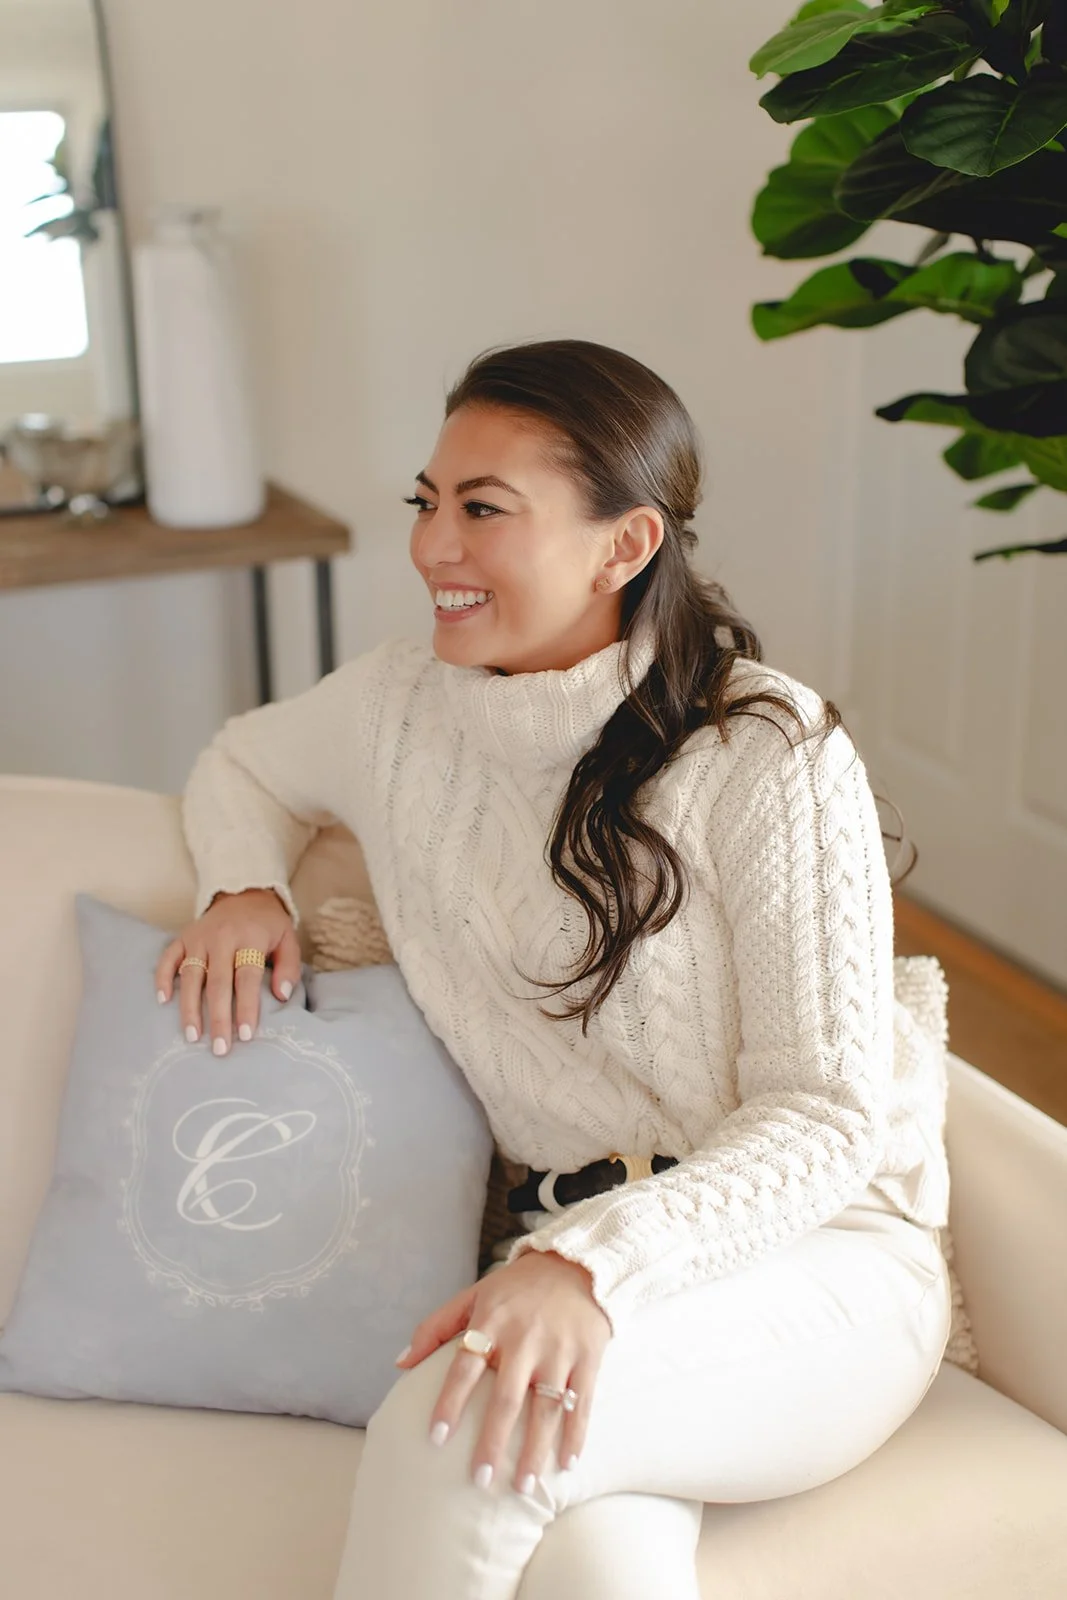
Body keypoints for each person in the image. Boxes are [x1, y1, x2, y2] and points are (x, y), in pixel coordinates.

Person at [158, 338, 952, 1599]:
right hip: (571, 1258)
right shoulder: (397, 706)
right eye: (426, 500)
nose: (431, 545)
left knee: (461, 1420)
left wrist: (591, 1262)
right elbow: (242, 762)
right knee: (591, 1566)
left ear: (622, 545)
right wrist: (243, 886)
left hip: (815, 1257)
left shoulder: (767, 750)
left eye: (483, 509)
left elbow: (824, 1114)